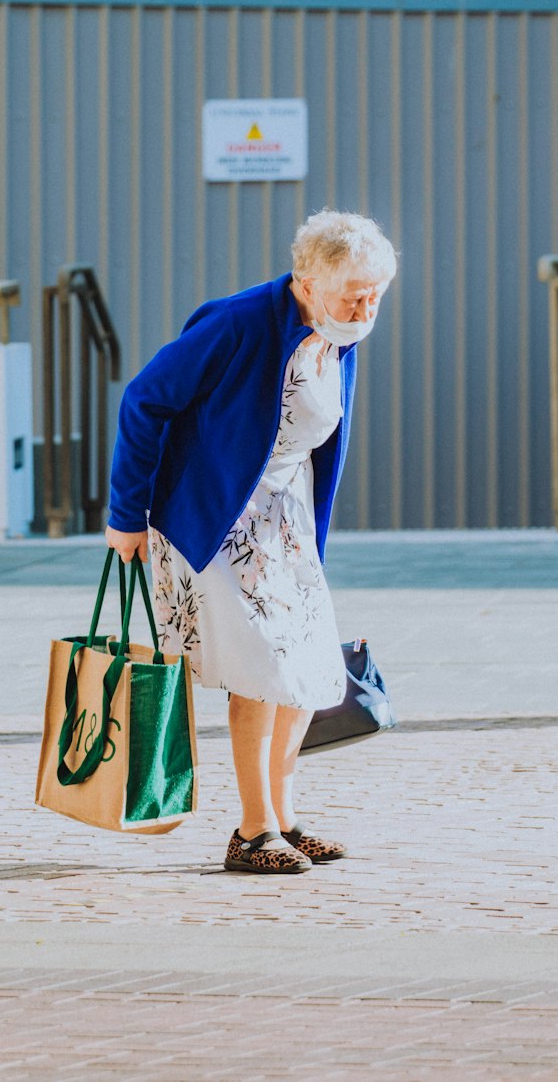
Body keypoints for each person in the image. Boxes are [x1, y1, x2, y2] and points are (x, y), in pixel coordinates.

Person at [105, 209, 396, 875]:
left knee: (308, 671)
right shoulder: (237, 323)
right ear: (307, 281)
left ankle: (285, 820)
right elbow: (144, 402)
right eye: (356, 290)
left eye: (377, 290)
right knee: (263, 669)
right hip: (218, 520)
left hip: (285, 522)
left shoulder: (338, 331)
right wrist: (127, 514)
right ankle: (251, 830)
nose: (368, 303)